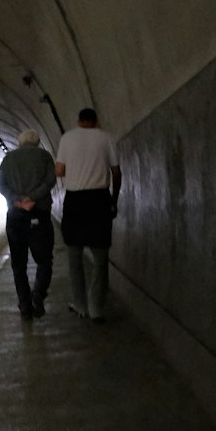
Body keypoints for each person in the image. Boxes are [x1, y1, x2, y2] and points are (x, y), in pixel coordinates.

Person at [54, 108, 121, 323]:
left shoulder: (67, 138)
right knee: (100, 258)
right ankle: (96, 309)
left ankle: (79, 304)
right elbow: (117, 172)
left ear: (78, 120)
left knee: (75, 255)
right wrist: (114, 199)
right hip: (100, 200)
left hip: (75, 201)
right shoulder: (106, 137)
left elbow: (59, 171)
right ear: (96, 121)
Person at [0, 129, 57, 320]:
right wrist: (32, 198)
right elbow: (50, 181)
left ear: (20, 143)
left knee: (19, 265)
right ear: (38, 142)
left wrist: (17, 200)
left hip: (15, 215)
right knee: (45, 260)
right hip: (39, 213)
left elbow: (1, 185)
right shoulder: (45, 156)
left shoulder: (8, 159)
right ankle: (38, 293)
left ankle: (24, 306)